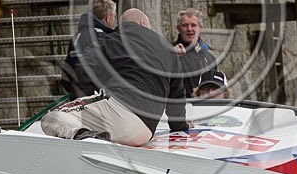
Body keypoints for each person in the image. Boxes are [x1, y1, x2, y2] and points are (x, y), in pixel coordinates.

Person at [42, 8, 188, 146]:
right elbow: (177, 93)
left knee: (51, 118)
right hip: (146, 131)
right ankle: (93, 133)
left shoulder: (109, 41)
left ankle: (85, 135)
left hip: (118, 114)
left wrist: (83, 99)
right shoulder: (168, 48)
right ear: (144, 23)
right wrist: (179, 126)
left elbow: (81, 72)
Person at [61, 0, 116, 99]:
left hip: (78, 99)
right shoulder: (104, 37)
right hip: (99, 99)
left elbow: (66, 76)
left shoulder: (76, 38)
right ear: (108, 17)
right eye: (113, 16)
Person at [172, 8, 217, 97]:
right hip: (179, 106)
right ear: (178, 29)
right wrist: (172, 58)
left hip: (204, 107)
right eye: (185, 25)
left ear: (200, 28)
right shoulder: (169, 50)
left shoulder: (209, 56)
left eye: (193, 25)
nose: (189, 29)